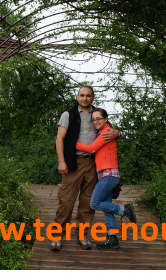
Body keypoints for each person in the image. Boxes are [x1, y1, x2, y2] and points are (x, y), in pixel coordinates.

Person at [51, 86, 120, 251]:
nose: (85, 98)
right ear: (77, 96)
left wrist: (117, 132)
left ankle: (82, 236)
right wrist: (61, 161)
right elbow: (60, 139)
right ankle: (56, 237)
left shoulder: (98, 114)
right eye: (82, 95)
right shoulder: (69, 114)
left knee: (88, 203)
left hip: (94, 164)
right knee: (66, 201)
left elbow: (109, 130)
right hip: (74, 162)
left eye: (88, 96)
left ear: (93, 98)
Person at [75, 108, 137, 249]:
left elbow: (91, 148)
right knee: (107, 209)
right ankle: (112, 238)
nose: (96, 121)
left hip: (109, 175)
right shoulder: (104, 132)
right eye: (94, 119)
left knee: (95, 204)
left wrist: (73, 143)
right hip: (106, 175)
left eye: (99, 118)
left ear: (106, 119)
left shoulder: (106, 131)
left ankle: (124, 210)